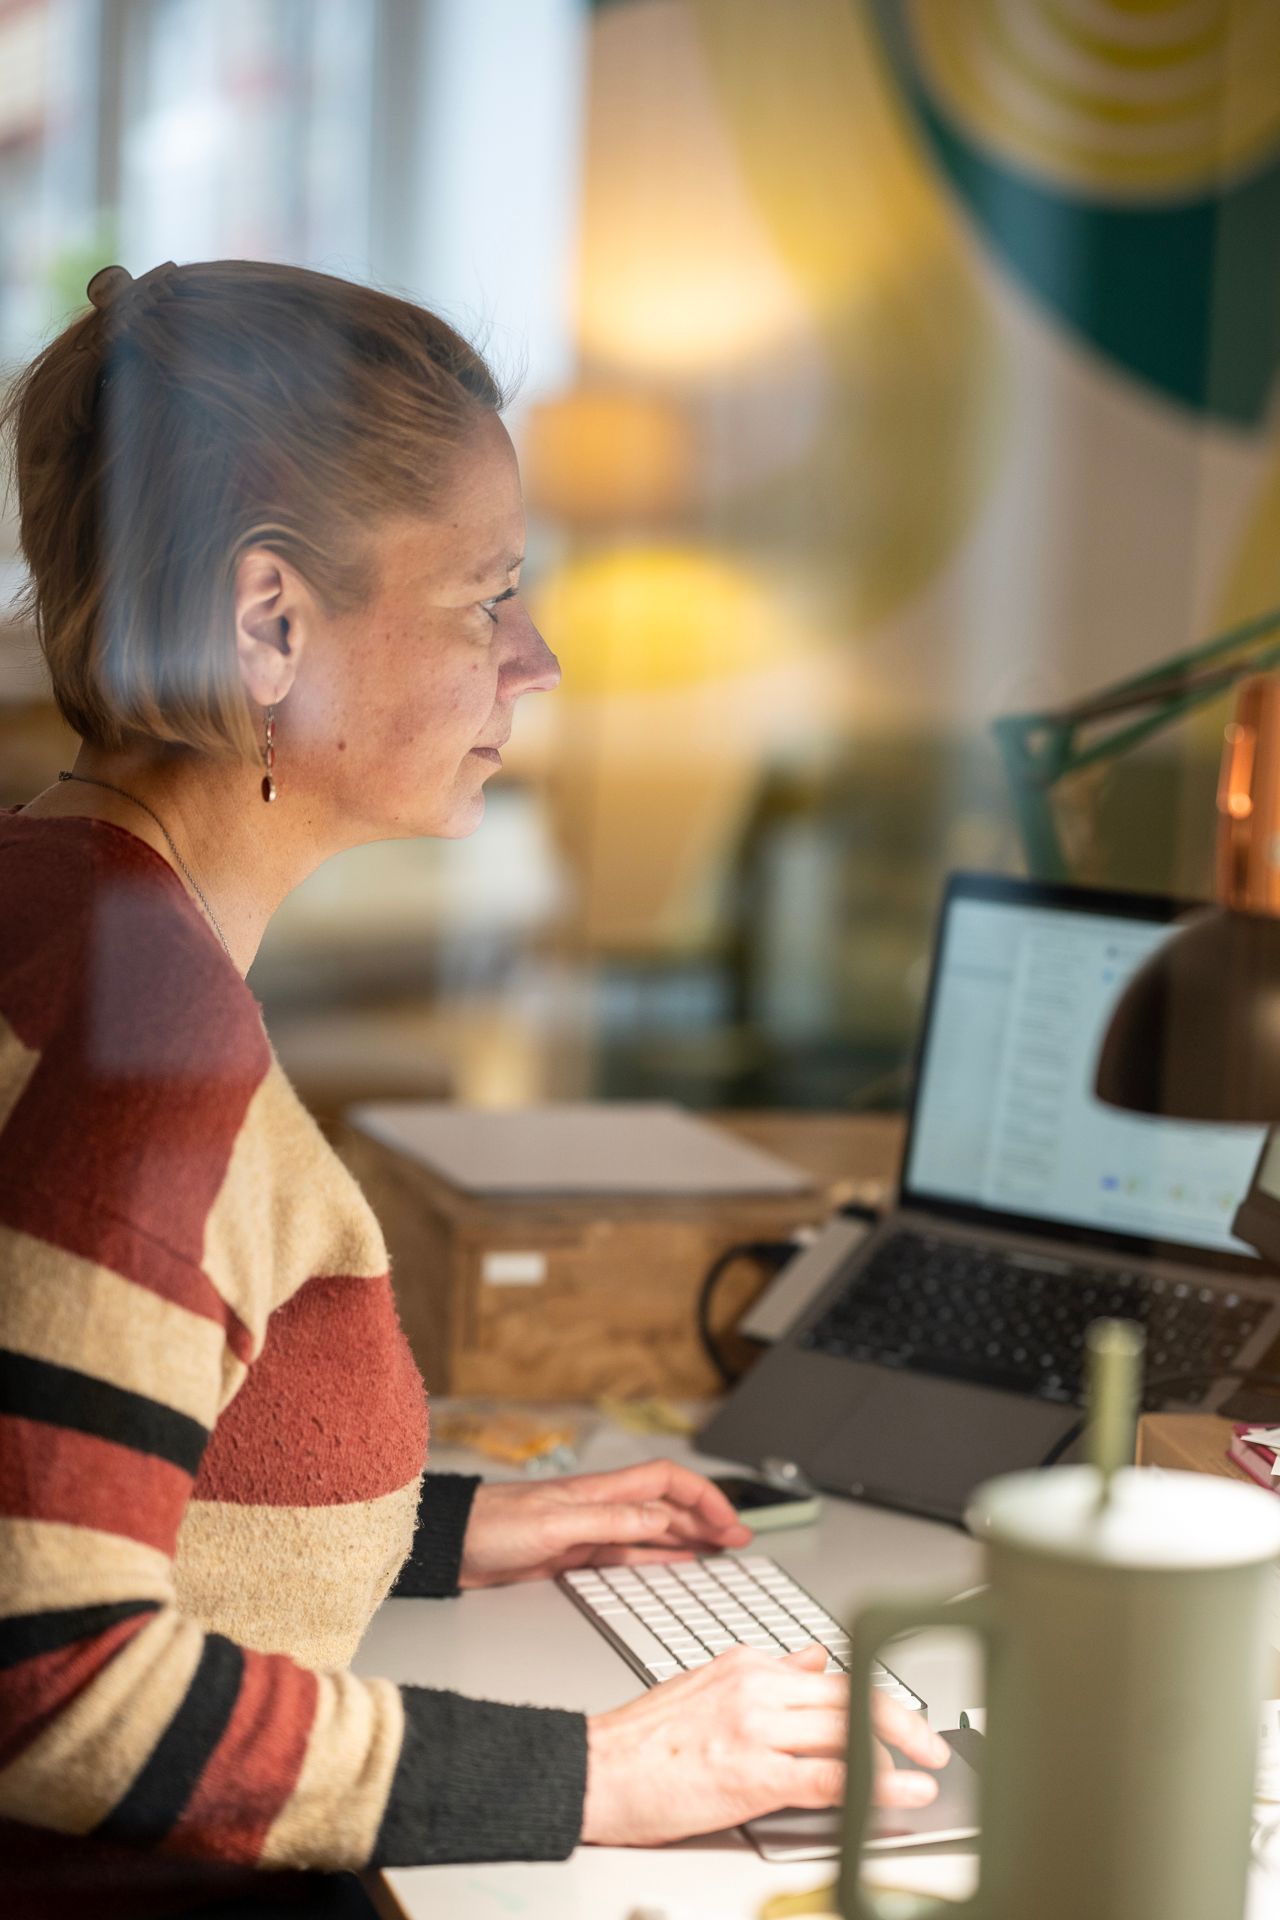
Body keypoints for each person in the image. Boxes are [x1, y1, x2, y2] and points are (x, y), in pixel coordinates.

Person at [0, 260, 949, 1917]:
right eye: (487, 599)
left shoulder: (58, 904)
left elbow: (91, 1447)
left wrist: (440, 1531)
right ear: (267, 622)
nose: (540, 660)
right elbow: (54, 1685)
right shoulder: (138, 1046)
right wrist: (609, 1775)